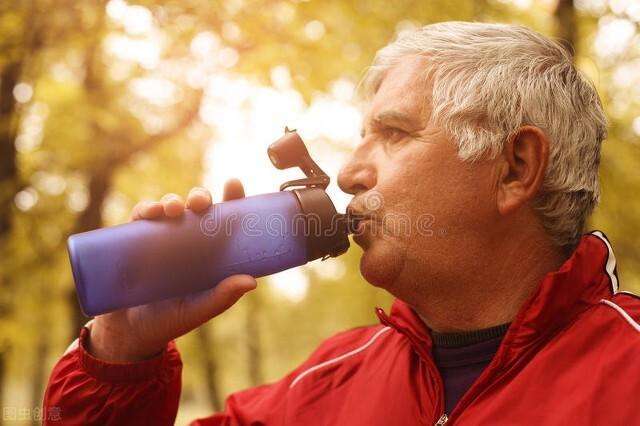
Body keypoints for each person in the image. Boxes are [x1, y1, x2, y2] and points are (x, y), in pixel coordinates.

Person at [43, 22, 640, 425]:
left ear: (515, 168)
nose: (350, 174)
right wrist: (122, 356)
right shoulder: (323, 386)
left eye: (395, 134)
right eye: (361, 138)